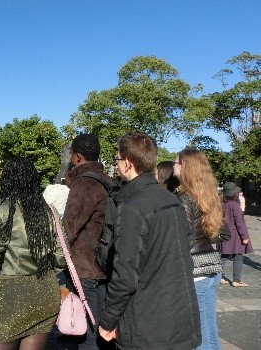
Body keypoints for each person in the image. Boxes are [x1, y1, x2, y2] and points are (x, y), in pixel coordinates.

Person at [99, 132, 201, 349]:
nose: (116, 166)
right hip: (178, 316)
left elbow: (125, 275)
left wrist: (107, 321)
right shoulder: (171, 199)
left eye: (117, 160)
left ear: (127, 163)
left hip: (148, 324)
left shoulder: (132, 206)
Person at [0, 157, 66, 349]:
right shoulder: (50, 211)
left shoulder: (1, 209)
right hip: (44, 292)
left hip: (9, 296)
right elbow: (61, 260)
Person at [60, 133, 114, 350]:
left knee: (85, 333)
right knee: (100, 326)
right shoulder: (110, 182)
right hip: (106, 263)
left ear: (78, 157)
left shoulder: (84, 184)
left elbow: (68, 229)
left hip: (85, 268)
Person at [174, 149, 224, 350]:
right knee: (211, 329)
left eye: (177, 163)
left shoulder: (185, 198)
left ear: (186, 167)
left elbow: (184, 237)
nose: (174, 166)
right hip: (211, 266)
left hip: (196, 271)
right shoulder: (208, 194)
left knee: (199, 334)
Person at [220, 181, 254, 287]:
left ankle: (219, 276)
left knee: (224, 256)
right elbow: (239, 223)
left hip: (224, 234)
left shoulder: (222, 204)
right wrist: (245, 237)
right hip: (235, 236)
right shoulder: (235, 206)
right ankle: (237, 280)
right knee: (238, 256)